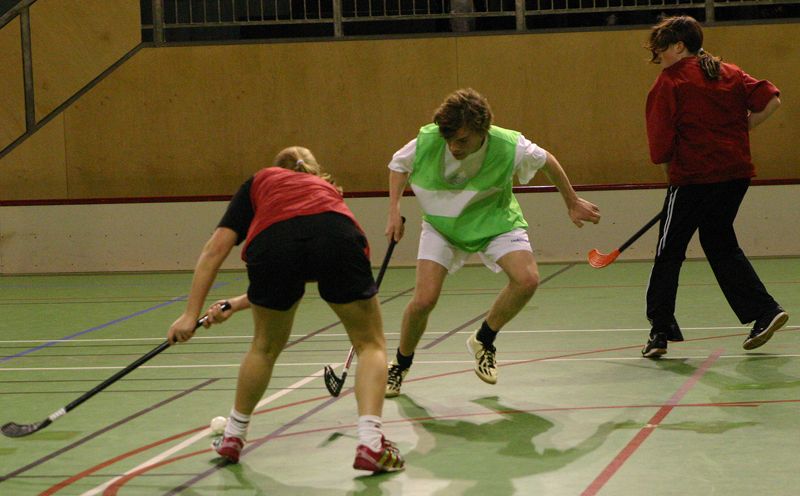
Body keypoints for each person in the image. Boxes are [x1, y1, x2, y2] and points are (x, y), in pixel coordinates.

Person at [167, 146, 404, 473]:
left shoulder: (260, 183)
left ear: (277, 168)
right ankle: (371, 444)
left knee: (263, 348)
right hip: (336, 235)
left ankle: (233, 436)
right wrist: (236, 303)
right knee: (370, 344)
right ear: (314, 171)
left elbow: (216, 250)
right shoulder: (326, 190)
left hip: (271, 243)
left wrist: (189, 314)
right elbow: (315, 257)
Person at [383, 88, 601, 397]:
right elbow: (398, 165)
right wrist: (393, 210)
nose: (454, 147)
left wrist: (572, 201)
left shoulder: (509, 145)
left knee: (527, 279)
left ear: (482, 131)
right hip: (442, 226)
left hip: (494, 220)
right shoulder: (429, 139)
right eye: (449, 139)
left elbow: (548, 161)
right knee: (423, 301)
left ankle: (484, 339)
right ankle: (400, 364)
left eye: (462, 140)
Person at [641, 16, 788, 358]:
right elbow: (772, 100)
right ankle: (765, 311)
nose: (658, 57)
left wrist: (673, 179)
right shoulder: (729, 72)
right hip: (735, 176)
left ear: (679, 46)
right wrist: (739, 130)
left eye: (662, 49)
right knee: (719, 242)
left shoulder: (670, 81)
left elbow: (661, 144)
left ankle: (660, 331)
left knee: (669, 251)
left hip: (694, 177)